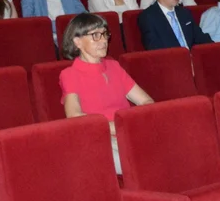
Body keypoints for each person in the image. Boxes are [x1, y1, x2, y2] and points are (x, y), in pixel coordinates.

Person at [60, 13, 154, 173]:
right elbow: (74, 115)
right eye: (95, 35)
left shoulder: (114, 67)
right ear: (77, 42)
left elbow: (146, 102)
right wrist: (114, 126)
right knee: (136, 163)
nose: (103, 40)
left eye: (104, 34)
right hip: (102, 138)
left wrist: (132, 125)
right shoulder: (69, 74)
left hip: (129, 132)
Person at [137, 0, 213, 50]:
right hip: (170, 59)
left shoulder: (184, 13)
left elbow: (201, 38)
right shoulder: (148, 16)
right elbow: (154, 49)